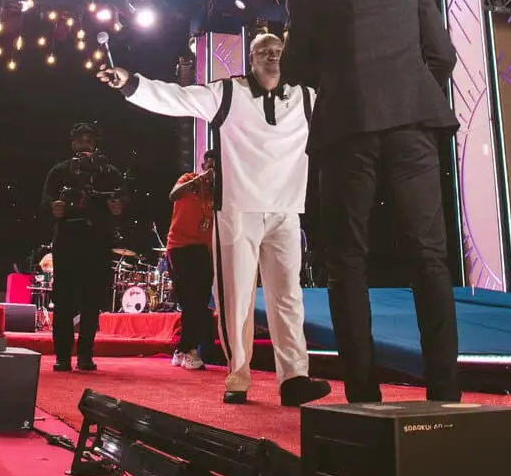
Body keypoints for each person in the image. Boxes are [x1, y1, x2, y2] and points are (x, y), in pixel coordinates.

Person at [281, 0, 462, 403]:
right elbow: (443, 55)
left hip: (346, 131)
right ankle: (445, 390)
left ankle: (362, 394)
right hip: (413, 127)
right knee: (428, 256)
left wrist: (341, 80)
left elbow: (294, 70)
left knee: (346, 261)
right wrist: (409, 92)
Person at [103, 35, 330, 405]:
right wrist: (132, 85)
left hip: (286, 210)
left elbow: (347, 110)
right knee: (235, 298)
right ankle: (238, 376)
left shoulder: (306, 98)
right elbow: (178, 98)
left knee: (289, 298)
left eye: (278, 51)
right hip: (238, 210)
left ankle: (294, 379)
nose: (272, 56)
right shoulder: (228, 93)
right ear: (251, 60)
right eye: (263, 51)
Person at [40, 124, 125, 373]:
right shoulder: (60, 171)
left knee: (92, 300)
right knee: (64, 301)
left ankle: (86, 355)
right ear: (73, 144)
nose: (85, 144)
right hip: (68, 240)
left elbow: (125, 196)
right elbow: (45, 198)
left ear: (95, 144)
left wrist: (119, 206)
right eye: (80, 140)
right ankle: (62, 357)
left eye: (89, 140)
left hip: (97, 241)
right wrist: (53, 207)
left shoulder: (108, 171)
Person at [164, 151, 217, 371]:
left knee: (200, 302)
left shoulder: (216, 192)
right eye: (209, 166)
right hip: (180, 247)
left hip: (204, 250)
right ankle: (190, 350)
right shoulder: (188, 179)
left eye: (216, 168)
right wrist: (200, 179)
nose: (212, 171)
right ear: (203, 165)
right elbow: (173, 195)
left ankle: (182, 349)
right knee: (191, 300)